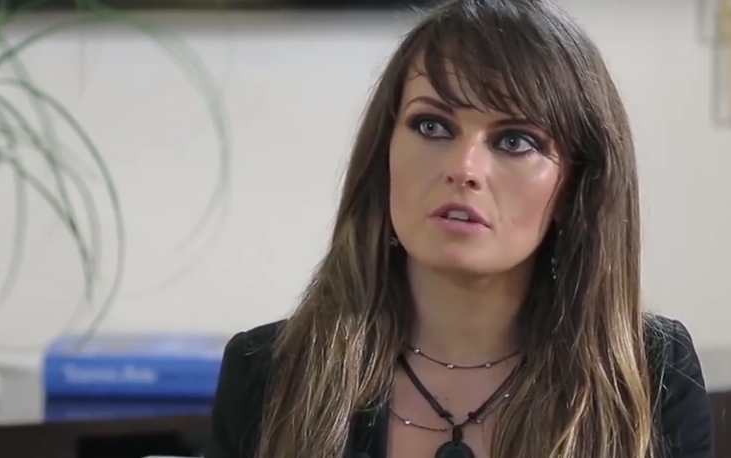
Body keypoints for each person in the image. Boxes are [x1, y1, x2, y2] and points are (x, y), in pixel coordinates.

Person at [206, 0, 714, 457]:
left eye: (514, 141)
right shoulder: (266, 373)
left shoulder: (653, 375)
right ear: (384, 156)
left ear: (575, 187)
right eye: (432, 126)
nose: (464, 167)